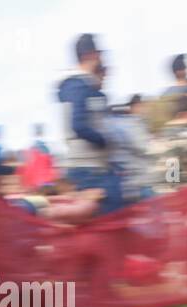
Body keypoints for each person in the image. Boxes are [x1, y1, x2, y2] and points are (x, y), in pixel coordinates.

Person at [57, 34, 121, 215]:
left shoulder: (80, 86)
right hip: (91, 170)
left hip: (94, 168)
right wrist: (104, 140)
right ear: (91, 55)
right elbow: (78, 125)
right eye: (99, 55)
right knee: (110, 223)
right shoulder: (78, 85)